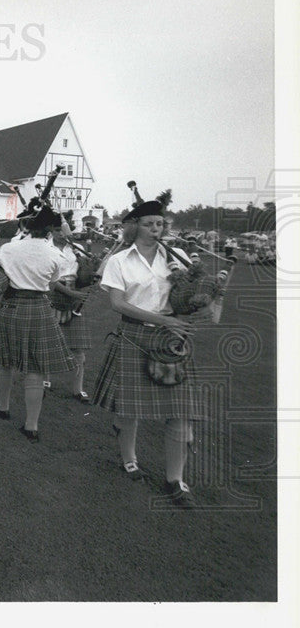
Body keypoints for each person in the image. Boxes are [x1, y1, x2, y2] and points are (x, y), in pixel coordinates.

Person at [90, 191, 203, 506]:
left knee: (181, 413)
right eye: (149, 224)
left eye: (160, 223)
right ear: (135, 227)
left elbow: (189, 294)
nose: (156, 229)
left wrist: (193, 304)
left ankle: (176, 480)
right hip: (134, 336)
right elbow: (117, 303)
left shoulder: (177, 256)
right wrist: (161, 320)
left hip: (171, 342)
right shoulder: (118, 260)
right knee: (129, 409)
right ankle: (129, 459)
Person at [0, 205, 75, 442]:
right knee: (35, 369)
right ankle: (31, 425)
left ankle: (3, 407)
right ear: (50, 232)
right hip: (39, 309)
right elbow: (53, 284)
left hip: (11, 307)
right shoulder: (57, 255)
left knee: (5, 361)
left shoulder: (9, 248)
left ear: (29, 227)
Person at [49, 220, 93, 401]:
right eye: (57, 230)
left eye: (64, 230)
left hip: (74, 299)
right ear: (52, 231)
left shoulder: (76, 250)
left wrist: (90, 269)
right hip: (53, 295)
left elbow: (83, 278)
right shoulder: (46, 249)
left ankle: (78, 389)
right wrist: (71, 293)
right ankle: (45, 381)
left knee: (78, 348)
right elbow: (50, 280)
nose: (61, 233)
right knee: (48, 344)